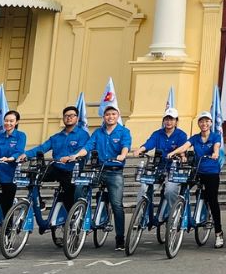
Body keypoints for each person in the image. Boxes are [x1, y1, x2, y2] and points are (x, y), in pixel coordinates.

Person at [72, 104, 131, 251]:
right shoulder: (98, 132)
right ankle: (76, 227)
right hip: (97, 170)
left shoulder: (123, 131)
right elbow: (88, 146)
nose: (110, 117)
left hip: (114, 171)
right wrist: (77, 154)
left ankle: (120, 239)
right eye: (107, 114)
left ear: (117, 116)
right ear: (103, 117)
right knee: (80, 189)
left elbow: (126, 145)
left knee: (117, 205)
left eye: (113, 114)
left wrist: (122, 155)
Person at [169, 112, 225, 248]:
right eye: (201, 121)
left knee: (212, 200)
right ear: (199, 124)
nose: (204, 124)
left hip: (211, 172)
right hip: (197, 170)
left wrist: (215, 153)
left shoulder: (215, 136)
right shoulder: (195, 137)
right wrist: (174, 152)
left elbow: (217, 146)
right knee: (183, 186)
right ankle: (182, 209)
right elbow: (185, 146)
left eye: (207, 121)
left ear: (211, 123)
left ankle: (218, 233)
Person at [22, 105, 89, 213]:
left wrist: (70, 157)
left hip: (71, 170)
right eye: (66, 116)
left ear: (77, 118)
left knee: (68, 199)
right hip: (56, 167)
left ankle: (71, 220)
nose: (69, 118)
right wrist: (26, 154)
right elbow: (42, 148)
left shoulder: (83, 135)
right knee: (33, 175)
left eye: (72, 115)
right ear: (63, 118)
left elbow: (84, 151)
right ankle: (39, 203)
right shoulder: (56, 137)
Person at [134, 109, 189, 214]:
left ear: (176, 121)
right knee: (144, 188)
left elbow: (183, 148)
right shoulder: (157, 134)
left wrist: (182, 156)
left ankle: (173, 213)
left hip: (173, 169)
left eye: (171, 119)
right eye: (167, 119)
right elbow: (149, 143)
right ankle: (141, 216)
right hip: (158, 168)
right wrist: (140, 150)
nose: (169, 122)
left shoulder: (181, 135)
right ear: (163, 120)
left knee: (170, 191)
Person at [0, 110, 27, 217]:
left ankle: (7, 230)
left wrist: (10, 158)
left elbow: (19, 151)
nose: (8, 123)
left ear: (16, 122)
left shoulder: (21, 136)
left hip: (10, 174)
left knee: (6, 206)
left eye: (11, 121)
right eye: (6, 121)